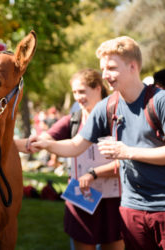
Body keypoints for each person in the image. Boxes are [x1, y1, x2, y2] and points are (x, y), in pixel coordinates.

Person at [28, 36, 165, 250]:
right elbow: (75, 146)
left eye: (111, 68)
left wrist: (127, 152)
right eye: (102, 69)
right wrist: (46, 144)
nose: (104, 76)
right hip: (132, 208)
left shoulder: (160, 101)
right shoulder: (107, 106)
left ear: (133, 66)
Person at [17, 69, 124, 250]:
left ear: (98, 88)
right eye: (74, 92)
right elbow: (45, 140)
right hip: (80, 197)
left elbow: (128, 160)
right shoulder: (73, 120)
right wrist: (3, 142)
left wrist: (94, 173)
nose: (78, 97)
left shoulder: (117, 118)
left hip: (113, 201)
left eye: (82, 91)